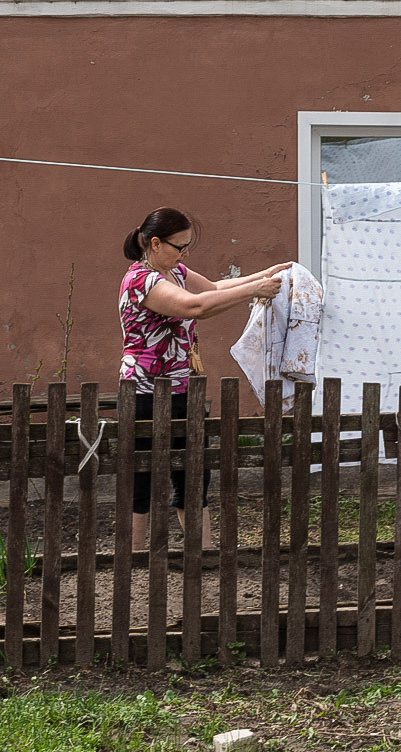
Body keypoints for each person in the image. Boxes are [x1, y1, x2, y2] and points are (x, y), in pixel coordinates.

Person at [120, 207, 289, 552]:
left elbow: (213, 288)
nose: (184, 254)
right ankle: (136, 554)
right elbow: (195, 307)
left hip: (182, 385)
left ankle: (202, 550)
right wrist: (254, 289)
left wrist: (264, 275)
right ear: (154, 243)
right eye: (179, 246)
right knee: (143, 474)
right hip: (144, 389)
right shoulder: (142, 280)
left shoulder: (175, 271)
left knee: (193, 470)